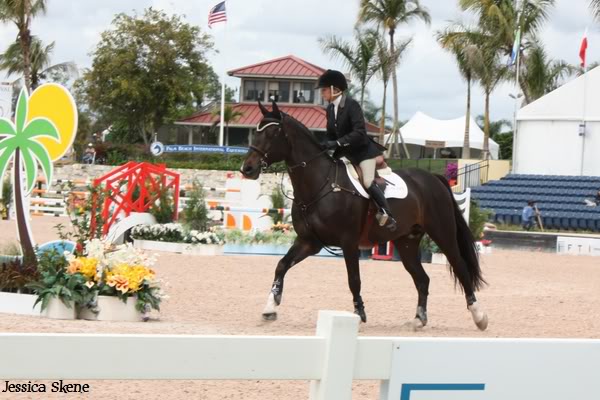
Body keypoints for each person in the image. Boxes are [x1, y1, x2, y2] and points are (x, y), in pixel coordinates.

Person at [315, 69, 396, 231]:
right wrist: (323, 146)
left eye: (323, 90)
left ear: (334, 89)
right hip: (345, 154)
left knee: (367, 181)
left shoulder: (352, 105)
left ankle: (387, 213)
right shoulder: (330, 109)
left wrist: (337, 143)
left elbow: (359, 132)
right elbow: (331, 134)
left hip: (363, 153)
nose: (322, 93)